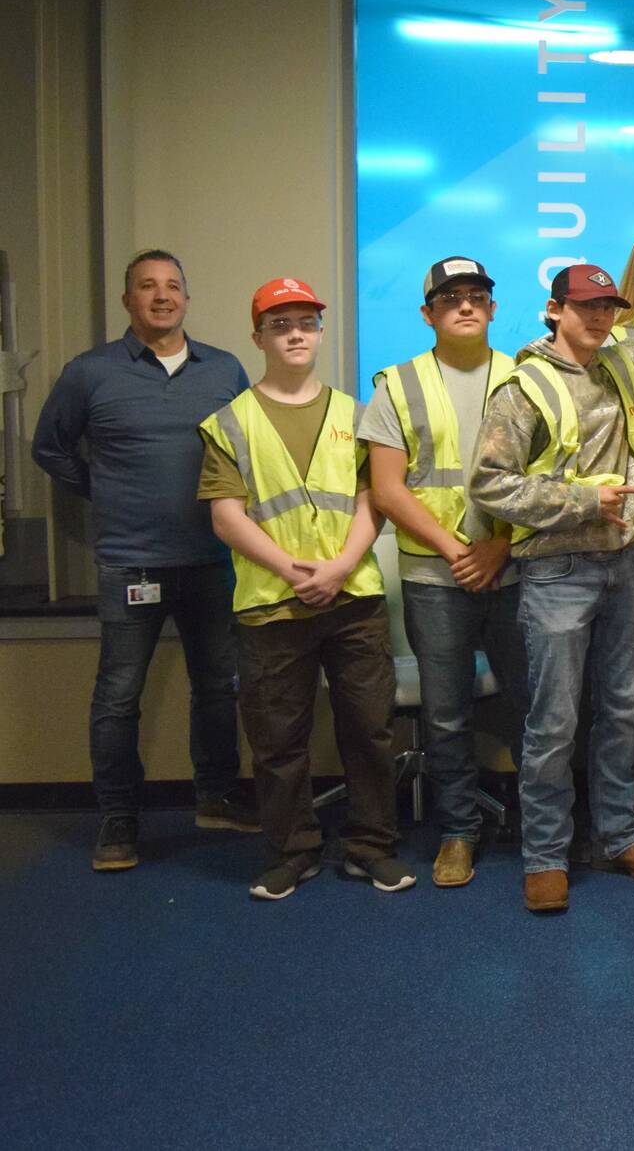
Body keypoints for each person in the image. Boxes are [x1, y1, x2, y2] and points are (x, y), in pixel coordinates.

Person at [471, 263, 634, 913]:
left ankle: (617, 836)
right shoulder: (523, 386)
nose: (599, 318)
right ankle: (545, 854)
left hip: (624, 566)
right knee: (554, 721)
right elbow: (488, 483)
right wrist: (583, 499)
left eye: (608, 308)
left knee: (620, 713)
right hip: (557, 571)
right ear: (554, 309)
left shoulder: (621, 362)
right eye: (586, 307)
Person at [32, 249, 256, 872]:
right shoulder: (90, 372)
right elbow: (49, 449)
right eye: (147, 287)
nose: (162, 297)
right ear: (128, 300)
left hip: (213, 560)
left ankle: (216, 795)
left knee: (218, 687)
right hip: (131, 564)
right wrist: (102, 487)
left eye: (173, 287)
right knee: (118, 696)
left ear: (187, 297)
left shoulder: (224, 368)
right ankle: (118, 820)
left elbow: (250, 452)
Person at [196, 278, 412, 901]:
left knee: (370, 730)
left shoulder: (357, 414)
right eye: (280, 323)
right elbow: (225, 516)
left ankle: (371, 848)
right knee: (277, 740)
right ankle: (291, 852)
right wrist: (296, 571)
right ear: (258, 335)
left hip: (354, 599)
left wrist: (341, 566)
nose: (295, 333)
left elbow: (375, 497)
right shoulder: (228, 423)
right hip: (272, 605)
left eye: (306, 322)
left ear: (320, 331)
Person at [362, 257, 530, 889]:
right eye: (450, 297)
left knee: (532, 705)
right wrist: (458, 548)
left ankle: (542, 827)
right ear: (428, 313)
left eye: (477, 296)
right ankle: (458, 831)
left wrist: (500, 546)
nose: (465, 305)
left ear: (491, 309)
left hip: (515, 570)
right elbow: (387, 488)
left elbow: (548, 476)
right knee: (448, 712)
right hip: (436, 578)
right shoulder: (396, 385)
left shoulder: (528, 377)